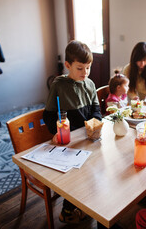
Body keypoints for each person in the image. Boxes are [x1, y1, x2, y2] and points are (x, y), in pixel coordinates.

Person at [43, 40, 102, 223]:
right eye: (80, 68)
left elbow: (96, 111)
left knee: (94, 171)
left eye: (88, 68)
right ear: (67, 65)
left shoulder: (90, 84)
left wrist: (96, 124)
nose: (85, 73)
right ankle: (67, 211)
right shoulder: (58, 85)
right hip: (69, 142)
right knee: (75, 176)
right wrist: (56, 131)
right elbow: (48, 115)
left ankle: (84, 202)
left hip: (88, 139)